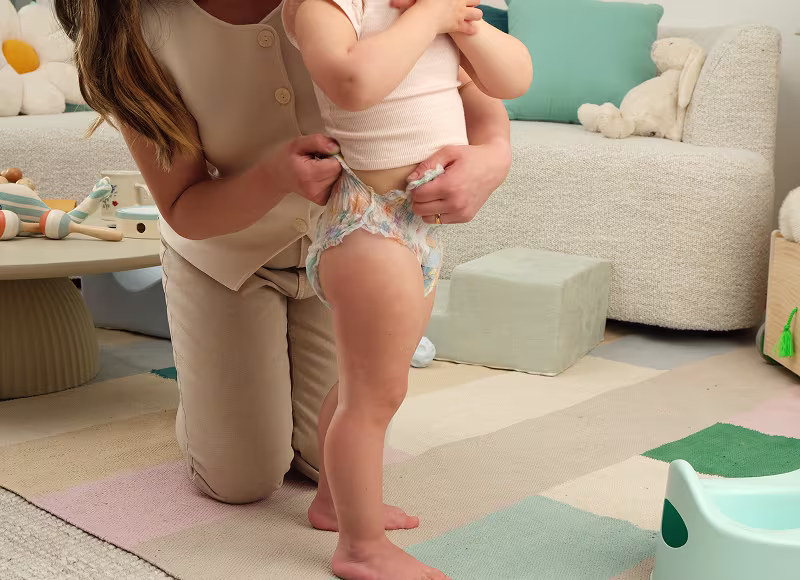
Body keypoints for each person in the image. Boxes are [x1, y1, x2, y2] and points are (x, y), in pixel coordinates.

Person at [55, 0, 514, 560]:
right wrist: (273, 176)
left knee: (341, 445)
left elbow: (478, 91)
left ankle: (320, 483)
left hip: (357, 247)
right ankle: (211, 393)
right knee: (241, 478)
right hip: (228, 253)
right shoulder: (134, 34)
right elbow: (183, 204)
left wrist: (492, 158)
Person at [283, 0, 531, 578]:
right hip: (367, 220)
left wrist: (458, 20)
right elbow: (352, 82)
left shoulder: (435, 13)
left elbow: (512, 79)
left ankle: (331, 501)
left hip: (416, 225)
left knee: (369, 382)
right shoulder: (329, 7)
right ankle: (360, 546)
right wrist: (428, 18)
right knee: (372, 397)